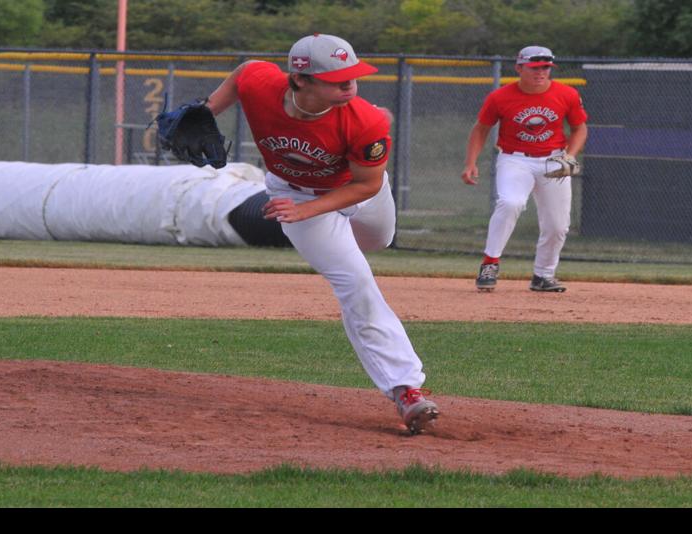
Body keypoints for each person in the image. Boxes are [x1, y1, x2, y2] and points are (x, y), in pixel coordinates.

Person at [203, 33, 439, 433]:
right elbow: (244, 73)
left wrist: (306, 209)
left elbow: (365, 185)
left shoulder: (366, 121)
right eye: (337, 78)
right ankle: (406, 390)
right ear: (300, 80)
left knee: (377, 241)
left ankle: (342, 246)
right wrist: (209, 110)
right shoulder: (264, 85)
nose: (350, 84)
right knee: (356, 280)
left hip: (358, 191)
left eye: (353, 75)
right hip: (294, 193)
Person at [462, 46, 590, 294]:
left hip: (554, 160)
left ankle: (543, 275)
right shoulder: (500, 97)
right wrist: (470, 162)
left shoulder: (567, 94)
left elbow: (580, 128)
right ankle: (490, 263)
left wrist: (569, 156)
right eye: (534, 67)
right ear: (519, 68)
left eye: (545, 67)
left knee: (557, 225)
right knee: (510, 203)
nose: (541, 72)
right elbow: (481, 129)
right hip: (515, 159)